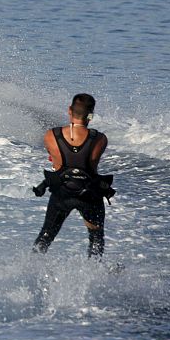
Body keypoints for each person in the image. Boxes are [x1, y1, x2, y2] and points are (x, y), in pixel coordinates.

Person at [33, 94, 110, 258]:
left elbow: (55, 160)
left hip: (62, 193)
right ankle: (95, 272)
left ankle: (31, 267)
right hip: (89, 195)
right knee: (96, 237)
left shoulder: (51, 135)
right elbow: (89, 162)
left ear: (69, 110)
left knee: (46, 235)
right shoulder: (100, 139)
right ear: (91, 115)